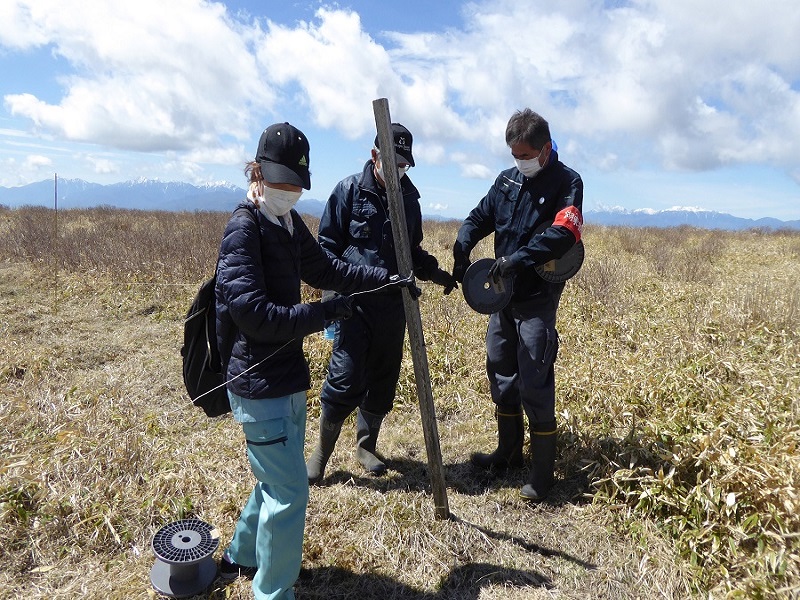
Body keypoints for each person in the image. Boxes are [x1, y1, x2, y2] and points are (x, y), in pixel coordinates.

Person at [214, 122, 410, 599]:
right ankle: (273, 592)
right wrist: (322, 311)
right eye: (282, 182)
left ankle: (242, 555)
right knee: (289, 492)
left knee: (272, 479)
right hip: (259, 382)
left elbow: (324, 267)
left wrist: (381, 278)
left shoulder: (285, 222)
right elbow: (254, 316)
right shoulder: (244, 229)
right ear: (257, 172)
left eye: (297, 184)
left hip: (286, 377)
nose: (291, 192)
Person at [306, 123, 457, 484]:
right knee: (345, 377)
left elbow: (412, 252)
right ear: (375, 156)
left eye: (404, 165)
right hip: (354, 304)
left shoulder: (409, 199)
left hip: (393, 305)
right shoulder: (348, 190)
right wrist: (334, 298)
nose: (399, 171)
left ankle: (365, 445)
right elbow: (325, 249)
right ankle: (320, 456)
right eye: (394, 163)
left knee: (383, 379)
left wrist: (437, 274)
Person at [451, 109, 584, 501]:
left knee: (535, 377)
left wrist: (517, 259)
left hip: (537, 299)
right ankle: (507, 452)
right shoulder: (506, 180)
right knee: (500, 367)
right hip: (501, 297)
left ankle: (542, 473)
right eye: (514, 155)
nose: (520, 162)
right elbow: (481, 215)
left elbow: (565, 233)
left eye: (525, 155)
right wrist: (463, 241)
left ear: (544, 150)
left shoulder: (567, 182)